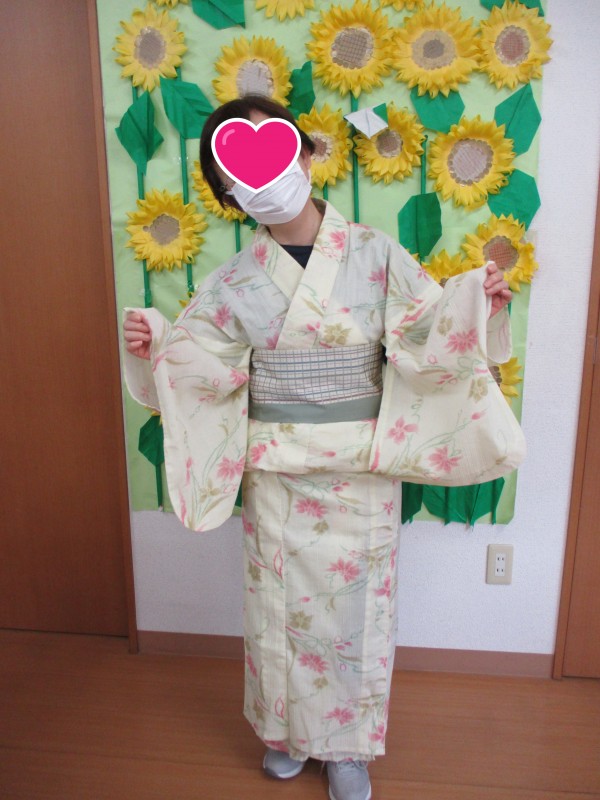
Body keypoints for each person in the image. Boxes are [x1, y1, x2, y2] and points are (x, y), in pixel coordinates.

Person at [123, 94, 513, 800]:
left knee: (356, 612)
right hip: (277, 470)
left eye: (275, 153)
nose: (263, 179)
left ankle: (348, 747)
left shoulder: (375, 253)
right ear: (228, 193)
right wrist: (157, 344)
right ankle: (284, 736)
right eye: (236, 172)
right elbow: (200, 364)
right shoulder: (234, 281)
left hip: (360, 465)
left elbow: (428, 332)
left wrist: (477, 302)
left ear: (305, 152)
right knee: (276, 608)